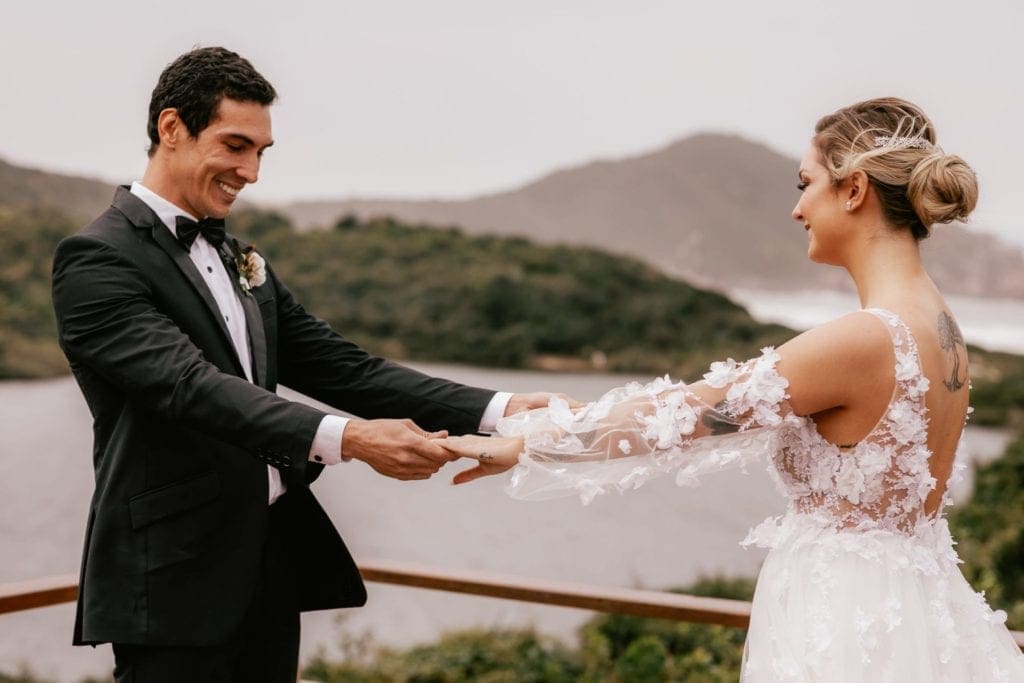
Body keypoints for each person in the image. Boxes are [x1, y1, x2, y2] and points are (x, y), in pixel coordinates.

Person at [442, 98, 1024, 680]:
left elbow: (682, 416)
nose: (797, 209)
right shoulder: (940, 321)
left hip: (848, 619)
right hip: (914, 604)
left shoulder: (865, 338)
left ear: (854, 191)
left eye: (806, 183)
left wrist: (531, 442)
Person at [50, 46, 554, 682]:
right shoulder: (96, 259)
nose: (251, 171)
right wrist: (352, 440)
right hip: (172, 576)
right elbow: (189, 387)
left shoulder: (238, 258)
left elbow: (346, 368)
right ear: (172, 128)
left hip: (267, 562)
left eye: (261, 152)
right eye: (235, 145)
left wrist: (501, 410)